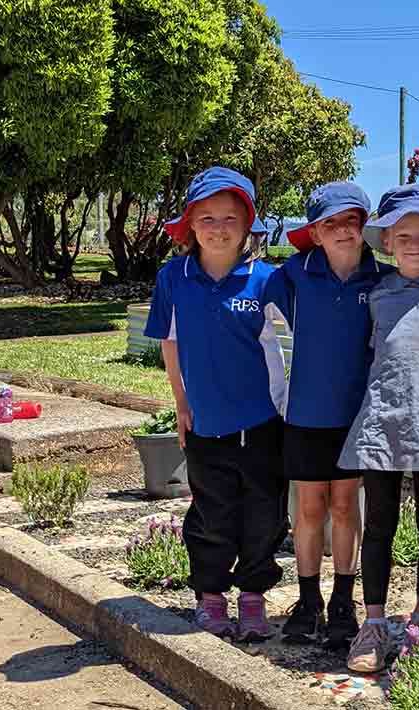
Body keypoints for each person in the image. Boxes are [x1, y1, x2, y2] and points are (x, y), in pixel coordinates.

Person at [144, 166, 287, 642]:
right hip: (205, 425)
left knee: (265, 515)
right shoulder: (174, 277)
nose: (218, 227)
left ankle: (252, 598)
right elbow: (170, 341)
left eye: (230, 217)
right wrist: (181, 404)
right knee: (210, 515)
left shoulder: (267, 280)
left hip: (264, 424)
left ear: (248, 224)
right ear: (190, 224)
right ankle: (210, 598)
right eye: (206, 216)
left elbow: (299, 343)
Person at [338, 185, 419, 673]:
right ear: (388, 241)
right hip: (381, 418)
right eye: (404, 234)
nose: (415, 243)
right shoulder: (375, 294)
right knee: (381, 523)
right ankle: (373, 625)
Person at [263, 182, 394, 648]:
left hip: (357, 418)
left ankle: (343, 599)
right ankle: (307, 598)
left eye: (351, 220)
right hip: (304, 416)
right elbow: (261, 333)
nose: (342, 230)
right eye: (330, 223)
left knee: (345, 507)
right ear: (315, 233)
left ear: (365, 226)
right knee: (309, 508)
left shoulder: (381, 279)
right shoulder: (292, 276)